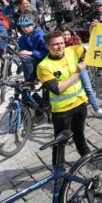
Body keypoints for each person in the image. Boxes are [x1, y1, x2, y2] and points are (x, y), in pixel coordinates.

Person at [36, 31, 92, 166]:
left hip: (80, 103)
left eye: (61, 43)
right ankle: (58, 168)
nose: (60, 46)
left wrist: (93, 30)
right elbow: (58, 89)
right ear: (47, 46)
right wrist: (77, 73)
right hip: (62, 110)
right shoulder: (43, 66)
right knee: (60, 141)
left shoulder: (72, 51)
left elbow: (92, 46)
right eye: (55, 44)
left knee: (79, 132)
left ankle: (85, 154)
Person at [16, 13, 47, 83]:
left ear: (33, 25)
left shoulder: (41, 35)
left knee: (26, 59)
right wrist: (21, 53)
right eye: (22, 27)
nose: (25, 29)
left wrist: (31, 53)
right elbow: (22, 49)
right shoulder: (22, 38)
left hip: (43, 60)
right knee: (24, 58)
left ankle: (30, 81)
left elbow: (46, 53)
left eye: (27, 26)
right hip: (33, 60)